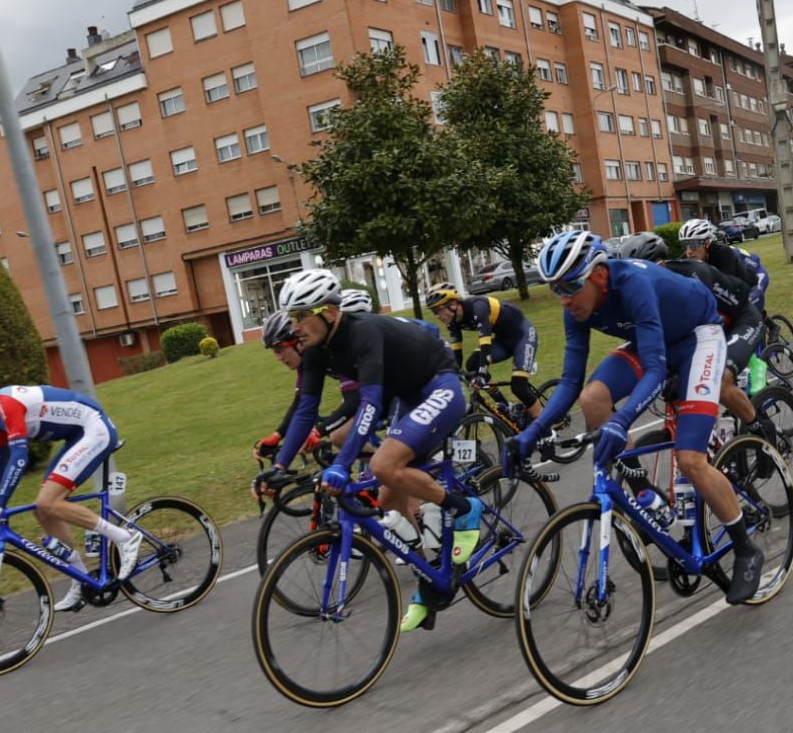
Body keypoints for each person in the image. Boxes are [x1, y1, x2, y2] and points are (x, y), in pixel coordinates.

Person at [508, 229, 766, 605]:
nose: (562, 300)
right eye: (554, 290)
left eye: (568, 287)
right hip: (658, 340)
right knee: (592, 398)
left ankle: (746, 548)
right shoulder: (577, 307)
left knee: (691, 458)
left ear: (597, 275)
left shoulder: (633, 282)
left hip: (699, 338)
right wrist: (529, 434)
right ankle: (644, 491)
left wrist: (622, 420)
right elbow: (568, 383)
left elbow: (656, 369)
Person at [253, 268, 480, 634]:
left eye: (299, 317)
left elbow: (371, 403)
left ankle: (465, 509)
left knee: (382, 464)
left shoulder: (363, 331)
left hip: (440, 386)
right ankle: (432, 578)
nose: (294, 328)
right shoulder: (314, 348)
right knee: (389, 497)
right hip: (407, 398)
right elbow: (307, 410)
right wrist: (279, 465)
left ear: (327, 312)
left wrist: (342, 465)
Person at [0, 367, 139, 612]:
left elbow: (19, 457)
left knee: (48, 502)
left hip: (94, 428)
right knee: (43, 511)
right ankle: (80, 577)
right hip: (77, 435)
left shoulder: (6, 404)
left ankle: (125, 539)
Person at [617, 230, 777, 445]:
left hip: (742, 318)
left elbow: (708, 331)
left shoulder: (692, 277)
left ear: (661, 266)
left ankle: (763, 430)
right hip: (710, 326)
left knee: (720, 381)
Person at [254, 309, 359, 465]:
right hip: (370, 391)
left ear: (296, 342)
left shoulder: (328, 349)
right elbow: (301, 403)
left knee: (339, 435)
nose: (279, 358)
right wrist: (277, 435)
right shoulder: (307, 360)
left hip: (392, 387)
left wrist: (319, 431)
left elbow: (356, 399)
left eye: (280, 350)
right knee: (339, 434)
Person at [422, 281, 542, 417]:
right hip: (503, 340)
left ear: (453, 305)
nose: (437, 316)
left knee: (518, 386)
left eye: (438, 310)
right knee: (472, 365)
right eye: (433, 312)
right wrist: (453, 374)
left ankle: (546, 428)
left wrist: (482, 374)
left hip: (523, 336)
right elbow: (456, 353)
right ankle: (506, 405)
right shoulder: (453, 321)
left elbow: (485, 343)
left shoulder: (477, 307)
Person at [678, 218, 770, 316]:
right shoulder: (691, 255)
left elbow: (726, 286)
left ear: (707, 243)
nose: (689, 251)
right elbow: (674, 266)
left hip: (755, 275)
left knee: (745, 310)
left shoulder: (722, 252)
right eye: (685, 245)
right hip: (738, 282)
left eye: (693, 244)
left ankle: (767, 325)